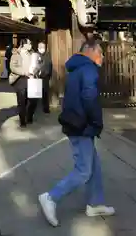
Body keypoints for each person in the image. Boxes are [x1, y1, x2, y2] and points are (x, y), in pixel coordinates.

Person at [38, 38, 115, 227]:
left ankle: (95, 203)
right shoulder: (88, 69)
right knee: (84, 170)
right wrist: (97, 123)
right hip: (82, 125)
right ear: (90, 51)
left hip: (75, 121)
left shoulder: (75, 69)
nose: (102, 57)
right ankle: (51, 197)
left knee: (94, 164)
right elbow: (89, 97)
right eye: (100, 52)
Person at [9, 38, 39, 127]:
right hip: (21, 79)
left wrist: (37, 70)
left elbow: (38, 64)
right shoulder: (16, 54)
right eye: (29, 43)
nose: (30, 45)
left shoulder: (33, 53)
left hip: (32, 78)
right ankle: (22, 121)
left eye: (31, 43)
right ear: (23, 44)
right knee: (22, 101)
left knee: (34, 101)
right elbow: (13, 67)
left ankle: (29, 116)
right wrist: (23, 72)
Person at [36, 41, 52, 114]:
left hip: (46, 77)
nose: (42, 49)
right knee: (36, 93)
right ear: (38, 47)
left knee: (45, 93)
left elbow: (50, 65)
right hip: (37, 77)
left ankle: (46, 108)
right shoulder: (35, 55)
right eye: (41, 47)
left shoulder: (48, 55)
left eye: (44, 47)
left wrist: (49, 75)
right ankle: (34, 108)